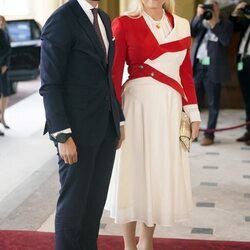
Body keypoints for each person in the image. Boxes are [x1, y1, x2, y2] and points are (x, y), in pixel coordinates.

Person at [106, 0, 201, 249]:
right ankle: (129, 244)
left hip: (169, 108)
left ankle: (146, 242)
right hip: (136, 107)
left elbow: (186, 73)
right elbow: (115, 75)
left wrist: (193, 113)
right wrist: (117, 118)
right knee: (133, 172)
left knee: (157, 173)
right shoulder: (124, 23)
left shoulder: (181, 25)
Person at [39, 0, 125, 249]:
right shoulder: (61, 20)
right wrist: (62, 135)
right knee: (73, 208)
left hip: (105, 129)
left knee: (93, 206)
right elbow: (50, 83)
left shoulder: (105, 19)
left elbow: (106, 76)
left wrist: (117, 118)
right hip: (75, 132)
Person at [190, 0, 233, 146]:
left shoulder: (226, 24)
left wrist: (214, 23)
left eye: (212, 7)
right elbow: (191, 32)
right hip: (198, 67)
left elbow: (225, 41)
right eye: (207, 6)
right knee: (194, 103)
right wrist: (197, 16)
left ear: (218, 9)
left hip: (214, 68)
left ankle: (209, 134)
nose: (209, 10)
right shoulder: (201, 22)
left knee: (213, 103)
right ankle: (193, 132)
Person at [230, 1, 250, 146]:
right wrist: (237, 10)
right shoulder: (246, 22)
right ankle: (248, 131)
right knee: (247, 98)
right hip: (243, 60)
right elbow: (233, 25)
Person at [0, 15, 11, 135]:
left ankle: (2, 117)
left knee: (5, 93)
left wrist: (5, 65)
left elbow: (8, 50)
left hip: (3, 68)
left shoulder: (4, 32)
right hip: (1, 67)